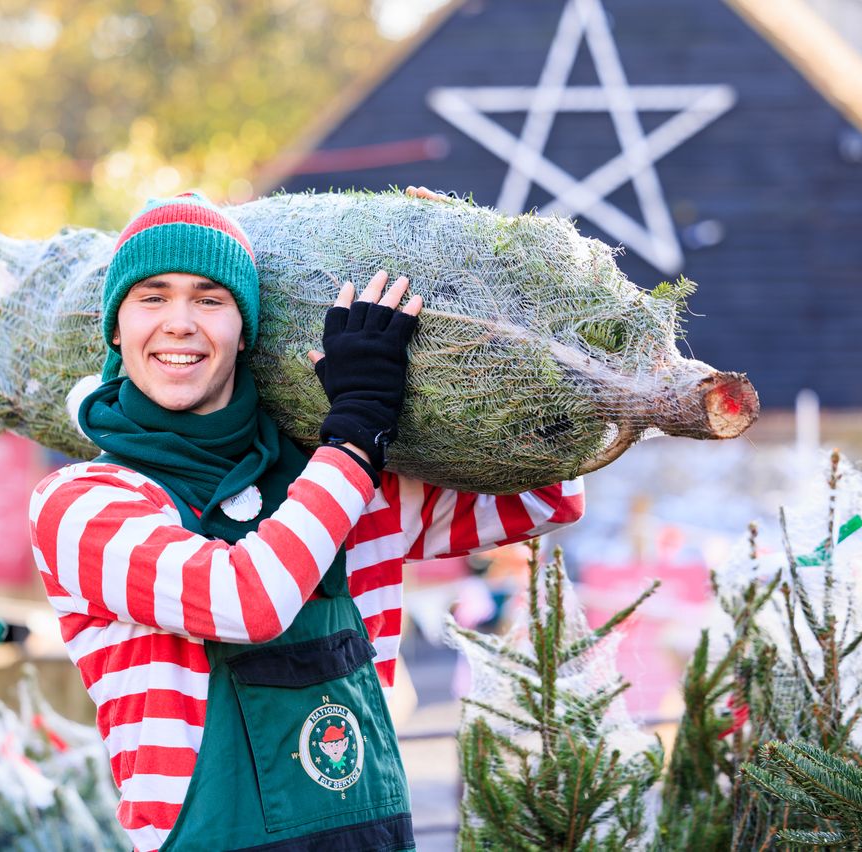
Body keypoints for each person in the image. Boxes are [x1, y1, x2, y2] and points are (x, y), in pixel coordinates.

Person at [29, 190, 584, 851]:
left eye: (210, 298)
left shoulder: (345, 491)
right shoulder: (84, 502)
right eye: (152, 296)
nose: (180, 321)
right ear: (116, 328)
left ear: (246, 329)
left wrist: (483, 282)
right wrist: (354, 434)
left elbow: (548, 496)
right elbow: (245, 600)